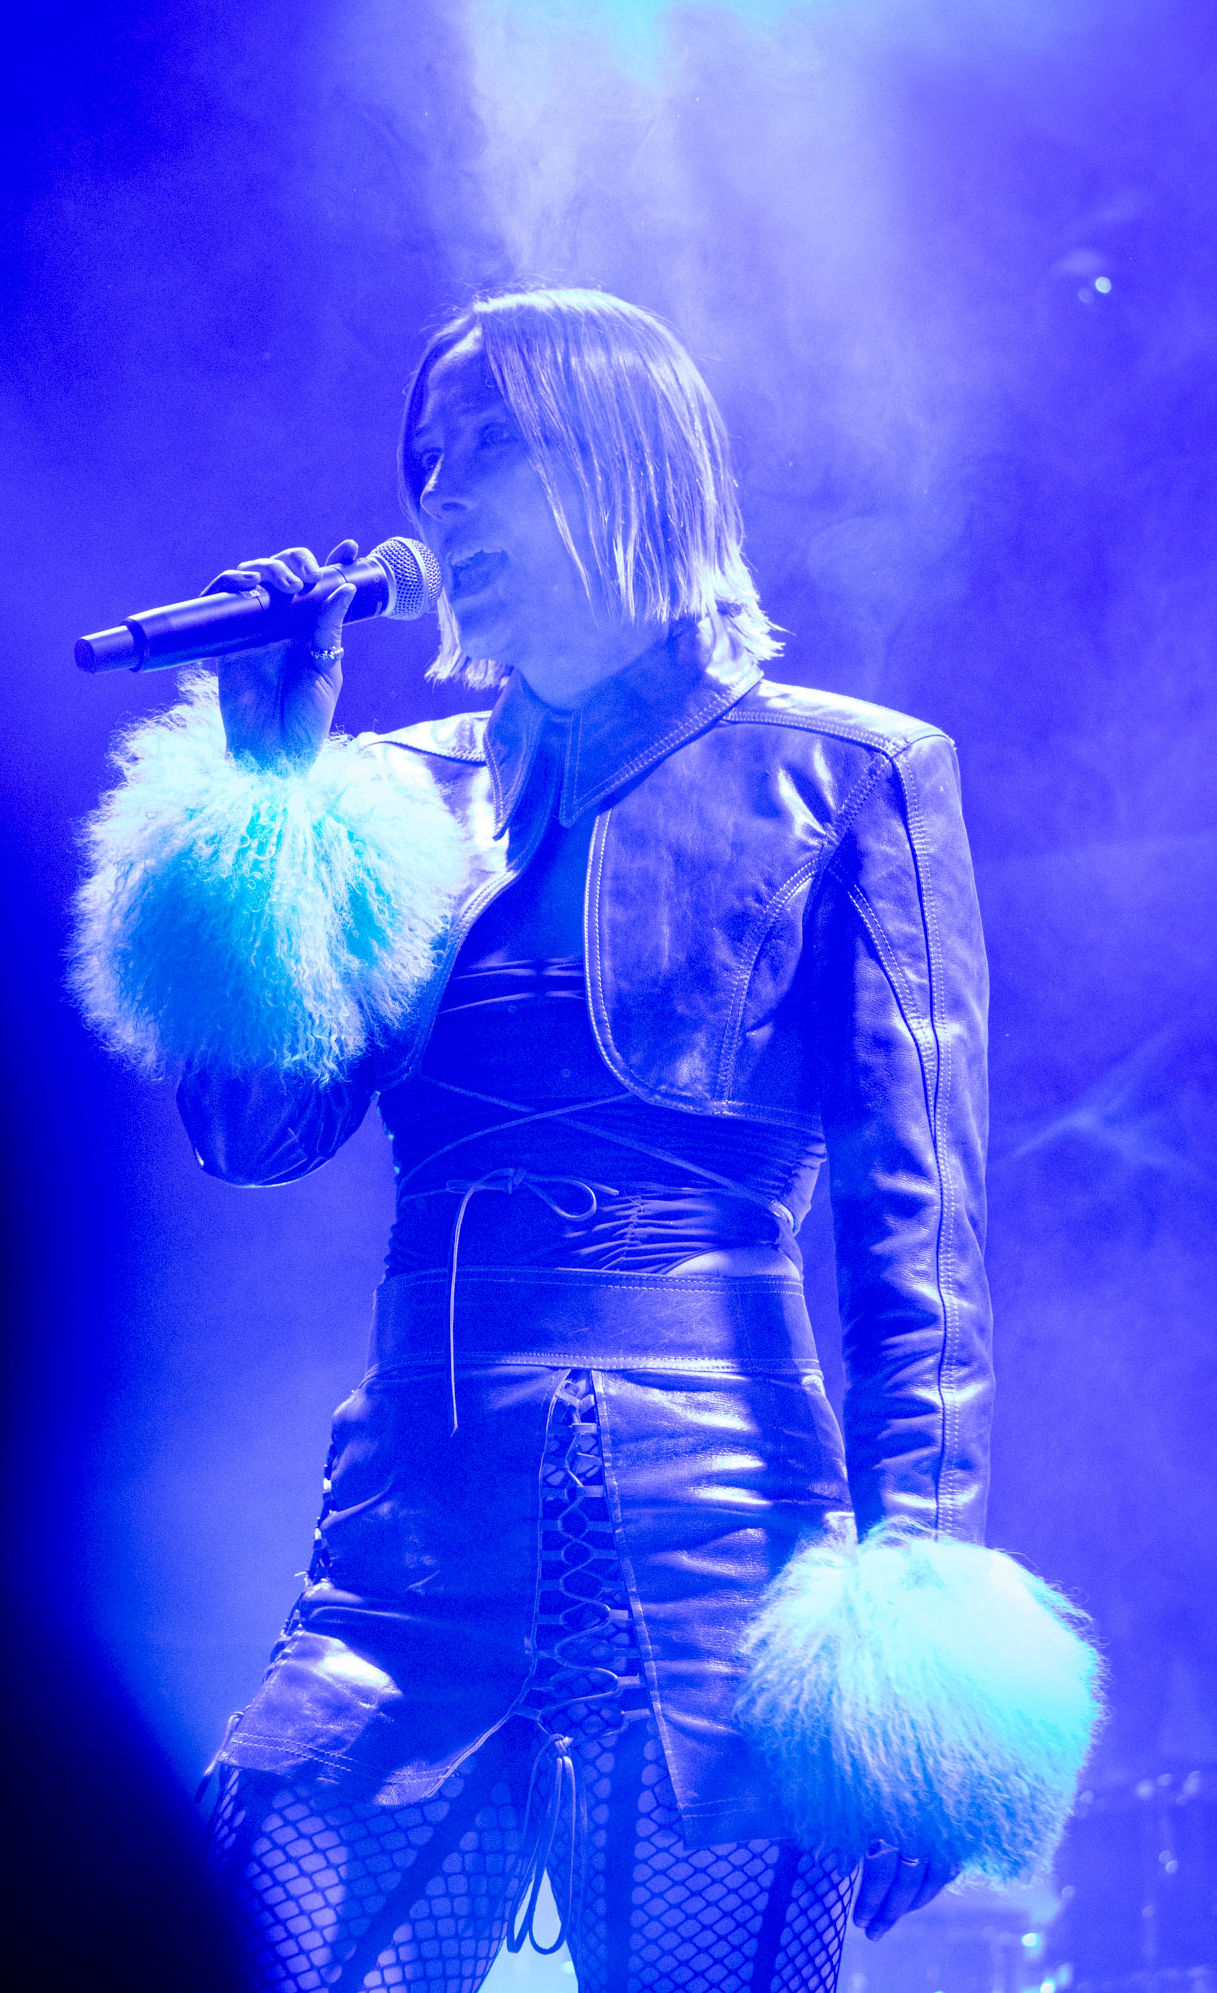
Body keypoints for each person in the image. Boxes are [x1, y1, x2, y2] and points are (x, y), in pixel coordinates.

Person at [73, 288, 1098, 1993]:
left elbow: (918, 1241)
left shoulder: (848, 778)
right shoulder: (392, 790)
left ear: (628, 460)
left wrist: (920, 1650)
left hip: (718, 1578)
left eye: (486, 449)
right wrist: (269, 783)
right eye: (425, 462)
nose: (439, 498)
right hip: (405, 1564)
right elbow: (252, 1136)